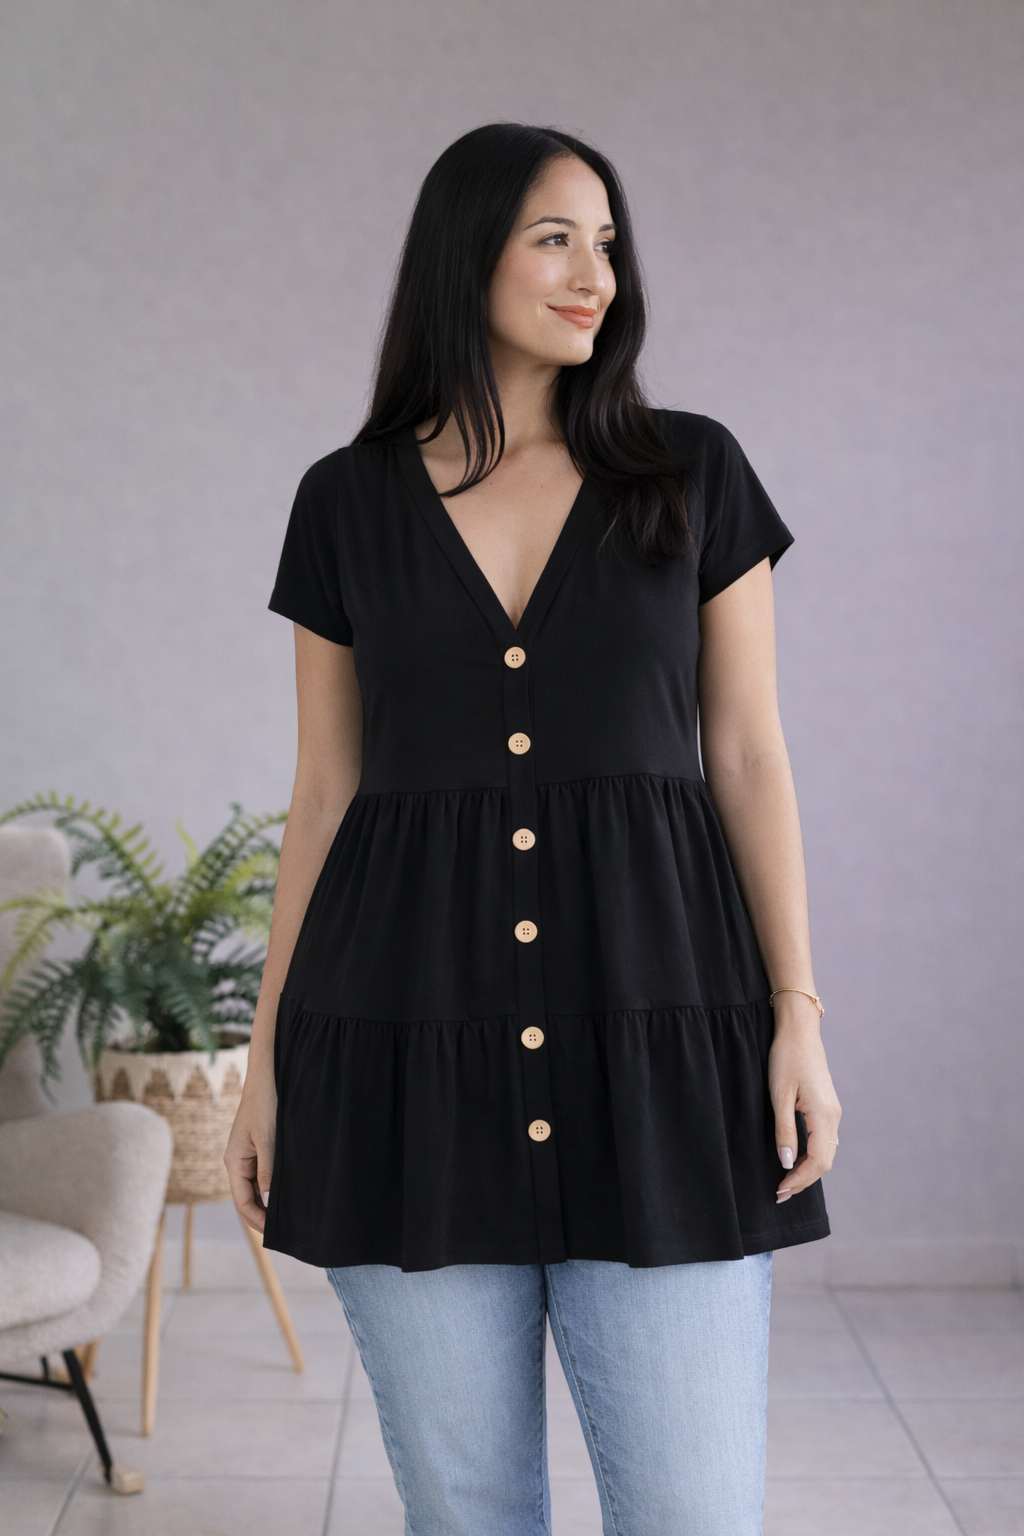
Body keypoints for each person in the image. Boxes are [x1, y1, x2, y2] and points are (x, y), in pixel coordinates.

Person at [225, 122, 841, 1536]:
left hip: (662, 1044)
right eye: (555, 238)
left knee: (693, 1513)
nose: (595, 276)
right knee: (469, 1513)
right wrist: (267, 1061)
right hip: (405, 1054)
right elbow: (325, 792)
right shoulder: (345, 501)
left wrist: (796, 1013)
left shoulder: (691, 471)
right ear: (466, 255)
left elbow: (750, 757)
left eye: (607, 243)